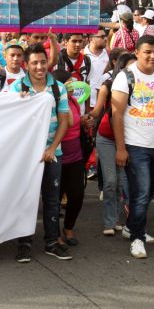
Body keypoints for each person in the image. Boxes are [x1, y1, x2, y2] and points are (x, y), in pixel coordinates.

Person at [8, 44, 72, 262]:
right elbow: (9, 122)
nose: (39, 67)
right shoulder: (16, 88)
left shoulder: (58, 88)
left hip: (52, 152)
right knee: (26, 199)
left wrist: (52, 149)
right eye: (34, 62)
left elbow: (64, 121)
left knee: (52, 199)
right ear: (26, 65)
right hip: (26, 156)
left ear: (48, 63)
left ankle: (52, 242)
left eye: (43, 62)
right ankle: (24, 244)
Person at [111, 35, 154, 258]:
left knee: (151, 190)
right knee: (141, 193)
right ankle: (137, 237)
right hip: (136, 146)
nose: (152, 56)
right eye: (148, 52)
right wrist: (121, 148)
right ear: (137, 53)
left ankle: (132, 227)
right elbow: (117, 114)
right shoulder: (126, 77)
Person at [90, 52, 135, 236]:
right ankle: (110, 222)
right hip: (107, 138)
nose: (133, 72)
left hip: (129, 138)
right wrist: (84, 117)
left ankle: (117, 219)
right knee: (110, 181)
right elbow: (97, 110)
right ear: (120, 67)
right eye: (129, 68)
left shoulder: (143, 89)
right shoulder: (107, 86)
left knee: (122, 182)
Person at [52, 70, 91, 247]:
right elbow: (64, 123)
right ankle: (53, 233)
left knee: (77, 195)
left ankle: (68, 227)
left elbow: (74, 121)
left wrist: (83, 121)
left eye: (73, 82)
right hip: (57, 156)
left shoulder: (74, 101)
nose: (72, 86)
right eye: (67, 83)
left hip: (76, 155)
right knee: (54, 198)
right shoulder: (52, 102)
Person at [84, 29, 110, 108]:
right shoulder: (82, 55)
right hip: (84, 103)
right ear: (91, 39)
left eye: (105, 36)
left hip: (104, 104)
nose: (105, 39)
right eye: (102, 37)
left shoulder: (110, 54)